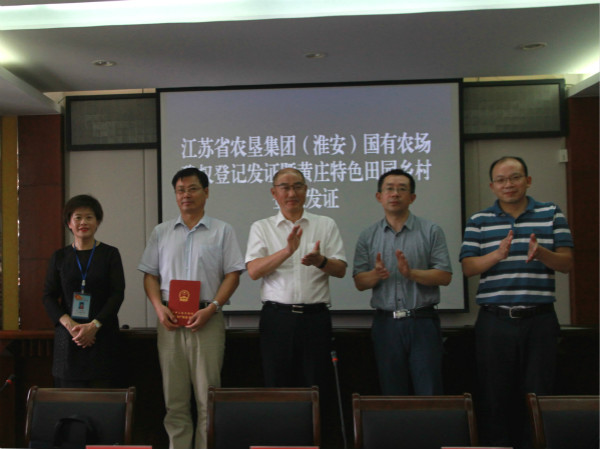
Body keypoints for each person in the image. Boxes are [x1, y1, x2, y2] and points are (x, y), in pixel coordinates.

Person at [460, 156, 573, 449]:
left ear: (528, 180)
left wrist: (542, 253)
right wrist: (497, 255)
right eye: (501, 180)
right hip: (494, 321)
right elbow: (468, 267)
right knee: (493, 396)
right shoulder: (479, 220)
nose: (508, 184)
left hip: (540, 320)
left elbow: (567, 263)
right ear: (492, 186)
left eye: (515, 177)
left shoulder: (551, 213)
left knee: (539, 395)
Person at [138, 167, 244, 449]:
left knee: (207, 399)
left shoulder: (222, 230)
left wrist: (213, 308)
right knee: (174, 402)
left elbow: (233, 274)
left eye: (193, 189)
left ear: (206, 192)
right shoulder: (161, 232)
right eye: (180, 190)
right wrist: (158, 308)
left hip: (206, 319)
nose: (186, 195)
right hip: (169, 322)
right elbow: (149, 276)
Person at [245, 167, 347, 394]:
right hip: (277, 318)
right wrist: (287, 251)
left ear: (306, 190)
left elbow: (340, 270)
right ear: (274, 193)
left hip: (315, 318)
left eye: (297, 187)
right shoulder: (261, 227)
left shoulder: (325, 224)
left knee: (317, 385)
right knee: (278, 385)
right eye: (285, 188)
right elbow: (254, 271)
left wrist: (321, 261)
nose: (292, 193)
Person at [353, 169, 452, 395]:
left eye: (402, 189)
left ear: (412, 197)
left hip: (422, 322)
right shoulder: (368, 236)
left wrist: (411, 273)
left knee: (429, 391)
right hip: (386, 324)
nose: (395, 194)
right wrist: (376, 274)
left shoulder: (431, 231)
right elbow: (359, 281)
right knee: (392, 393)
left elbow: (444, 276)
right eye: (389, 189)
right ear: (379, 196)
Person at [43, 194, 125, 388]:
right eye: (77, 217)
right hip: (69, 338)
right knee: (69, 400)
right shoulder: (59, 257)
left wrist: (94, 326)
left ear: (97, 222)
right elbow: (48, 296)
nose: (83, 222)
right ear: (69, 223)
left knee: (104, 397)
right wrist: (71, 326)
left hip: (102, 336)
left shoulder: (110, 254)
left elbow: (117, 293)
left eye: (89, 217)